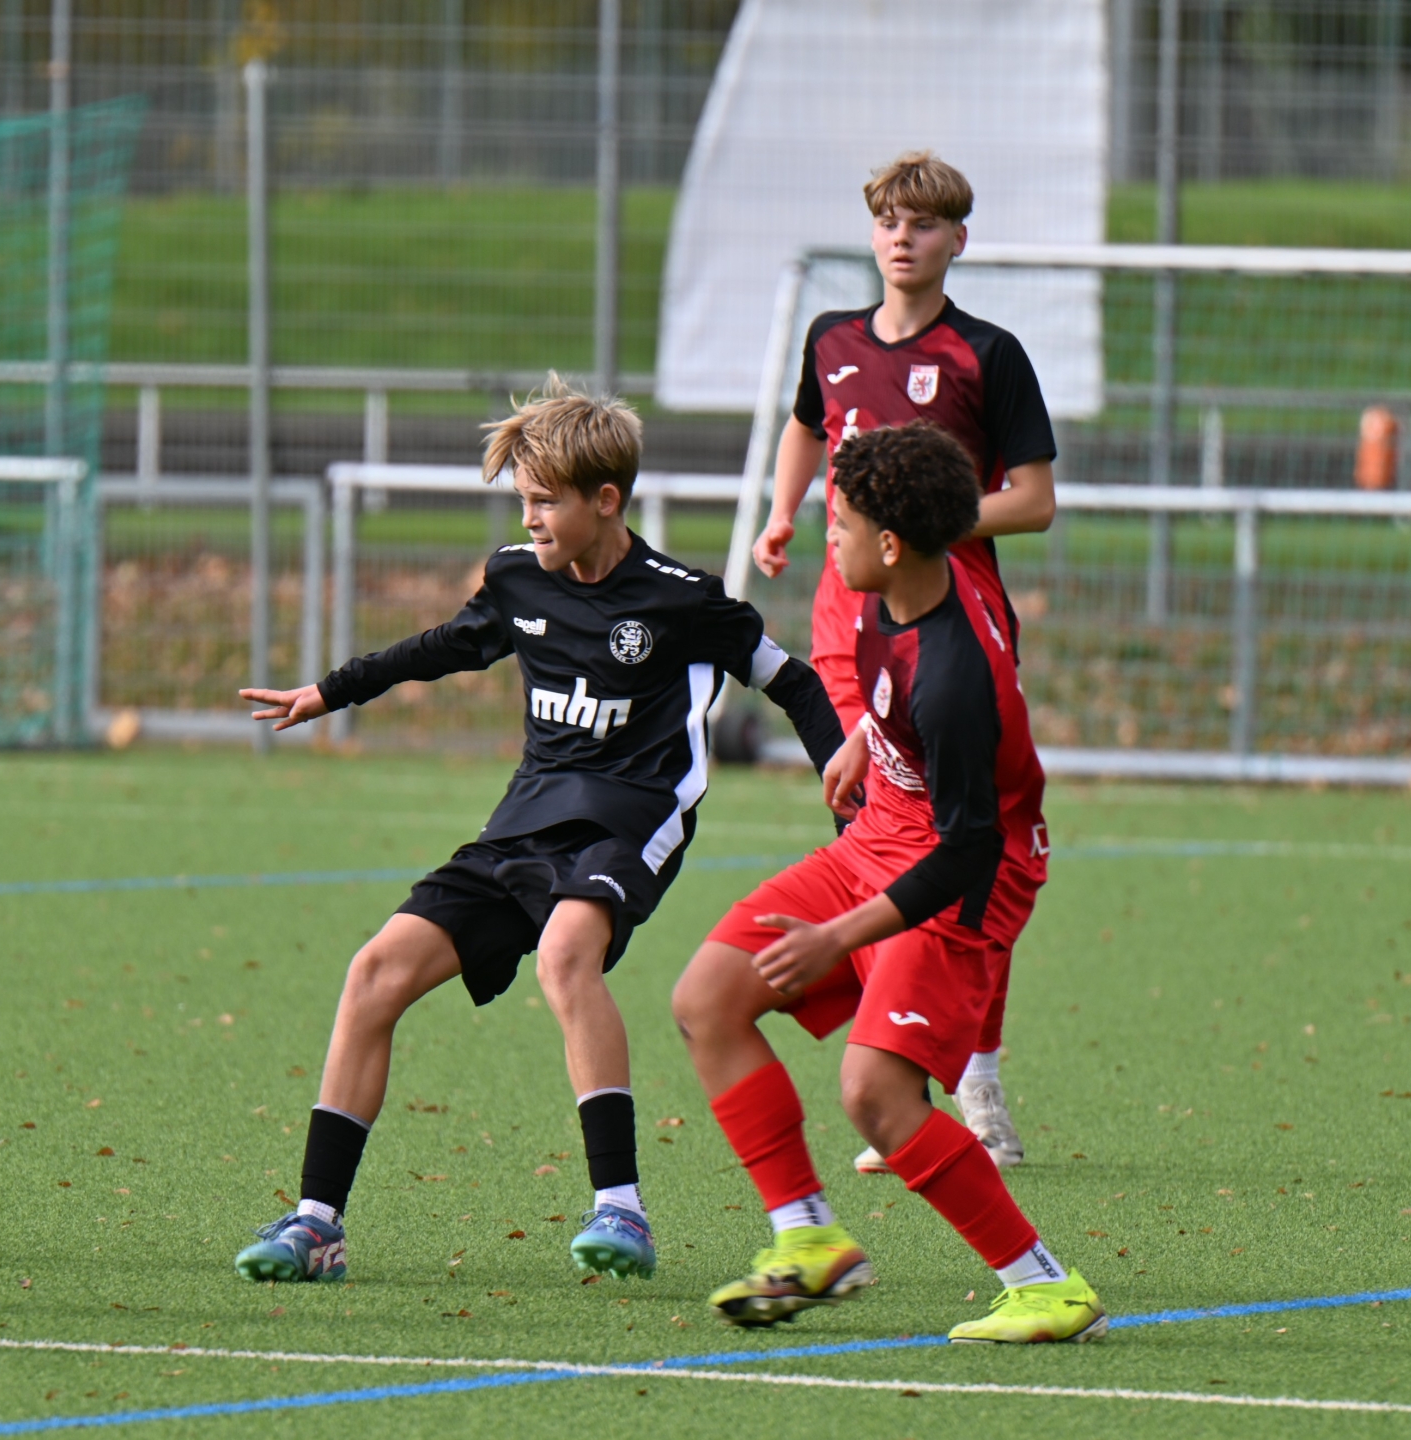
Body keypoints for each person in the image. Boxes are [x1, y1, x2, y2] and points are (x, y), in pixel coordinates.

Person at [232, 378, 844, 1287]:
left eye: (546, 501)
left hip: (631, 818)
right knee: (374, 972)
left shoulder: (683, 600)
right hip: (526, 820)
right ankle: (317, 1224)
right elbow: (444, 645)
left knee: (565, 958)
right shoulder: (518, 576)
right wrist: (332, 690)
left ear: (607, 500)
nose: (530, 518)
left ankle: (620, 1209)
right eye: (524, 499)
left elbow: (793, 682)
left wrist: (846, 790)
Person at [673, 423, 1103, 1344]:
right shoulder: (888, 596)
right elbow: (892, 686)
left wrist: (838, 937)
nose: (830, 539)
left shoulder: (956, 677)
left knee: (875, 1095)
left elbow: (970, 850)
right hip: (881, 836)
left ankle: (1044, 1286)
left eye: (841, 525)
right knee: (708, 998)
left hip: (968, 876)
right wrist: (869, 738)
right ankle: (808, 1237)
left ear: (892, 542)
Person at [751, 150, 1056, 1173]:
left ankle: (980, 1074)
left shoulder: (988, 354)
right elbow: (808, 428)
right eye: (888, 219)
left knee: (966, 845)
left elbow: (1036, 500)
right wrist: (784, 513)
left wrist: (924, 522)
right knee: (875, 836)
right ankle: (905, 1081)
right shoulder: (831, 339)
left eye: (923, 223)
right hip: (849, 625)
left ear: (956, 239)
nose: (902, 237)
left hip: (950, 617)